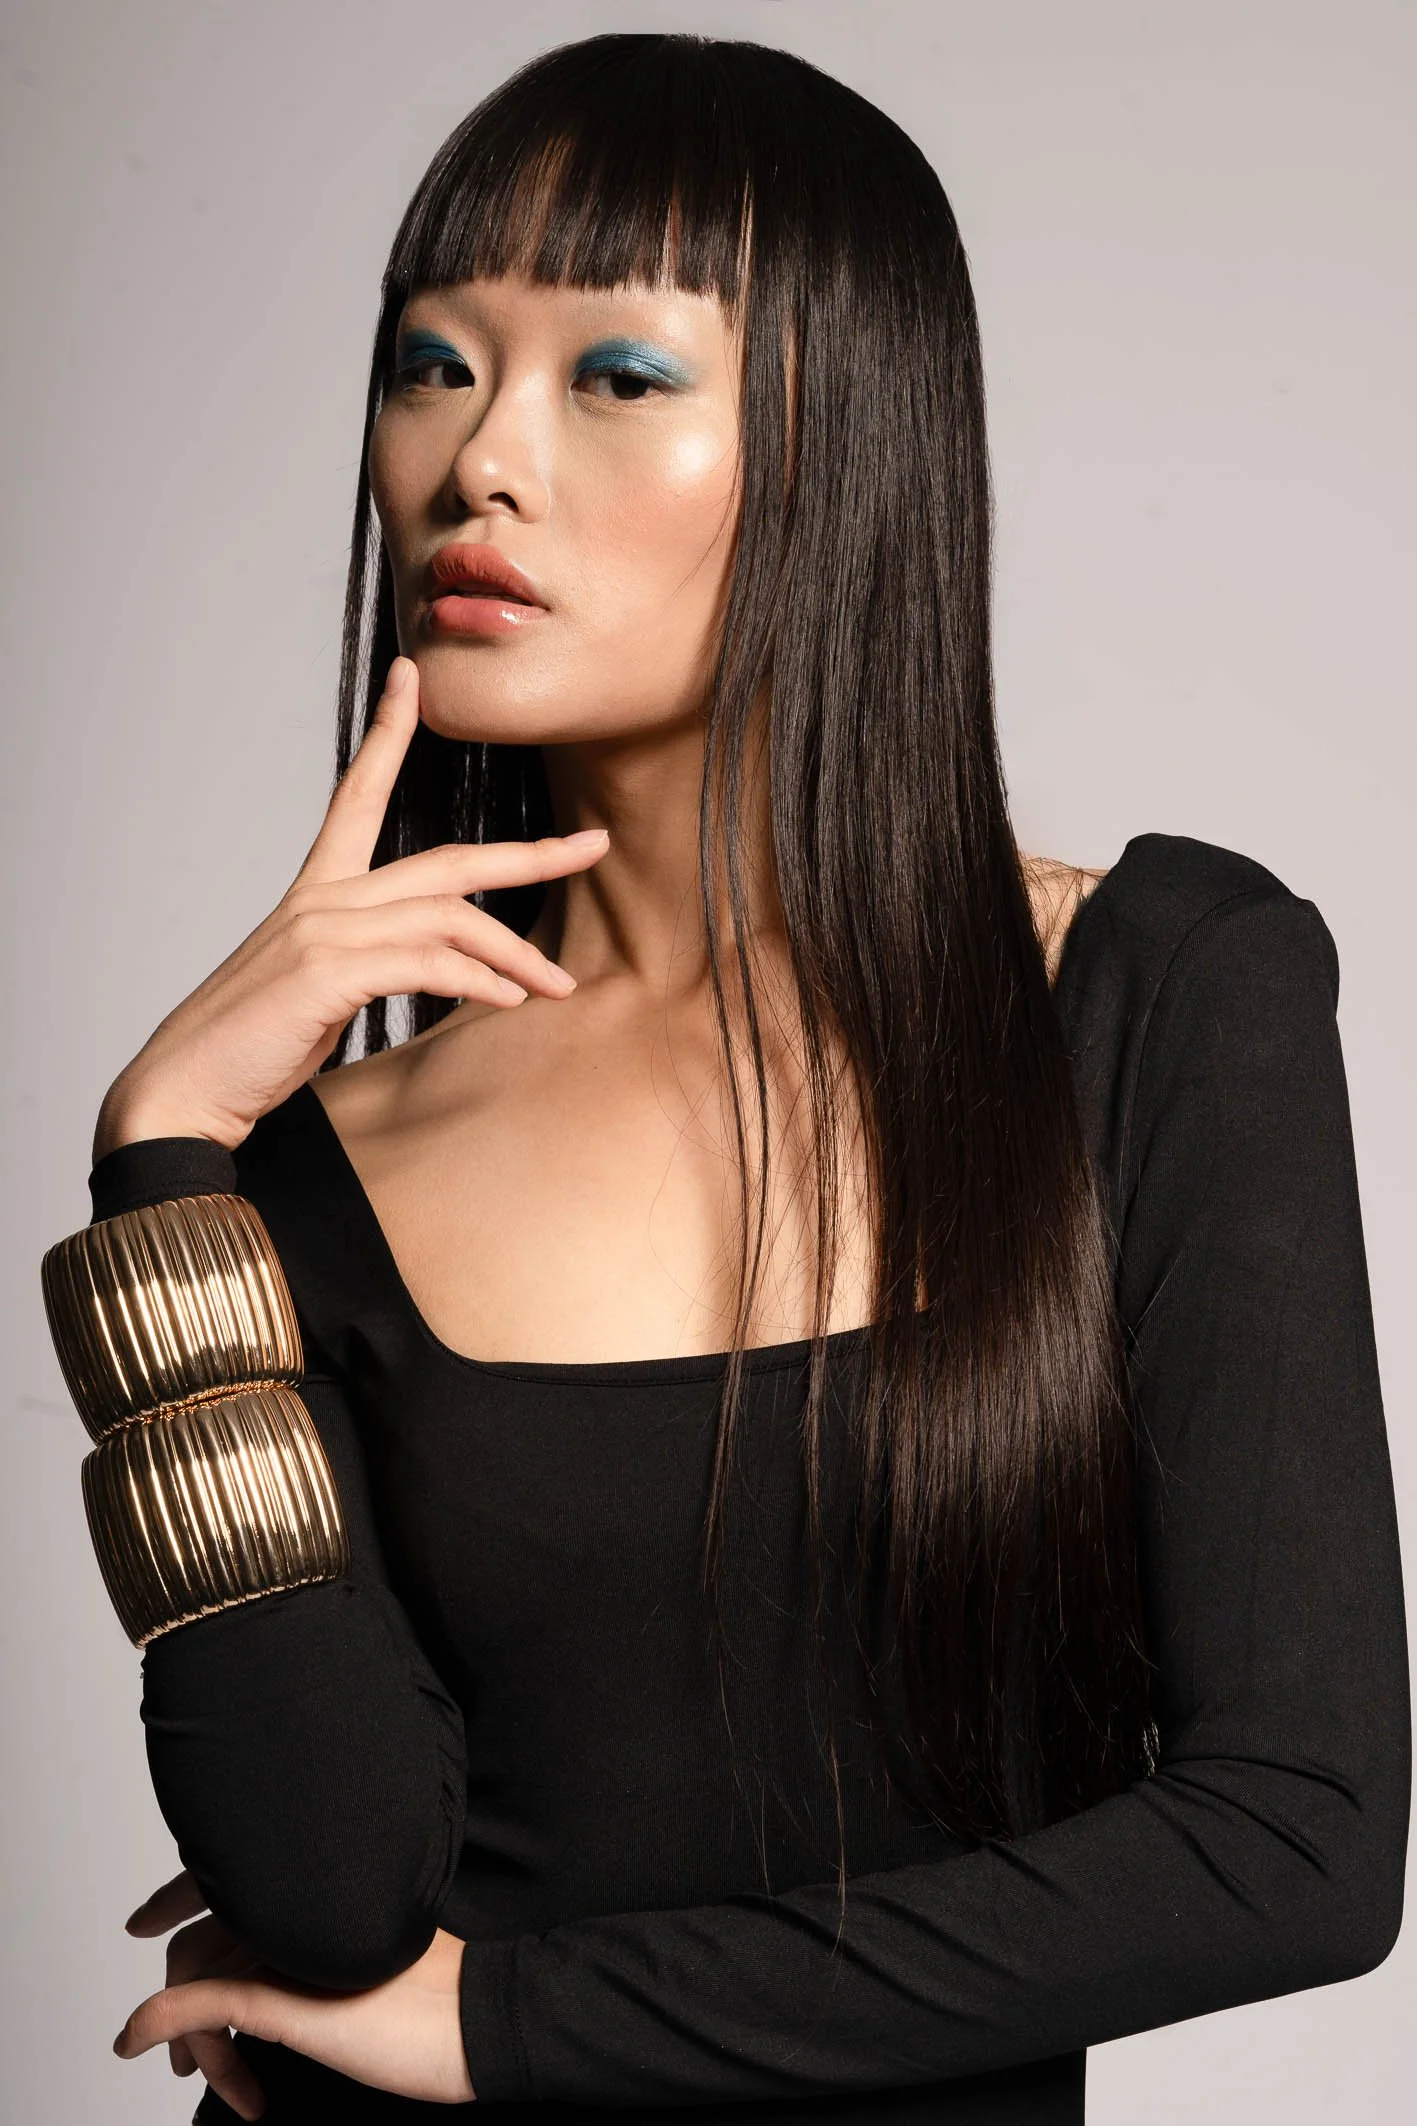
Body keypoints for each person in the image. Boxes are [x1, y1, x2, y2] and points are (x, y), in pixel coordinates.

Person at [39, 31, 1408, 2126]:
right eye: (434, 362)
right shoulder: (311, 1167)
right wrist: (161, 1165)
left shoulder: (1156, 993)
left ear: (846, 433)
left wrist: (513, 2021)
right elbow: (323, 1895)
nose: (481, 458)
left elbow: (1295, 1842)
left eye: (617, 374)